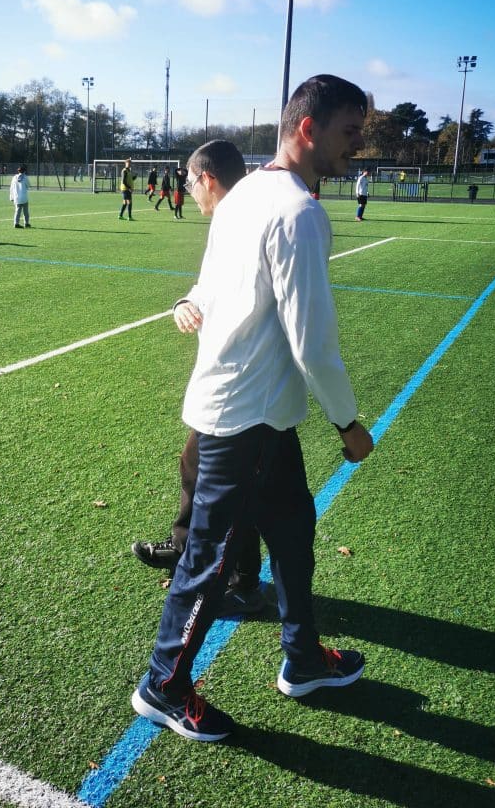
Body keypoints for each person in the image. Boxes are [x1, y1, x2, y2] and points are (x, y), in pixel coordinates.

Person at [131, 74, 374, 742]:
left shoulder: (245, 197)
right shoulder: (298, 212)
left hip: (262, 414)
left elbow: (210, 286)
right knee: (208, 562)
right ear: (307, 129)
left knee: (293, 533)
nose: (356, 146)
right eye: (349, 132)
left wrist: (193, 302)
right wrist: (348, 423)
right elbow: (313, 341)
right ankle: (162, 685)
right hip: (246, 418)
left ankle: (301, 658)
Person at [132, 140, 266, 616]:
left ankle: (240, 578)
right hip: (226, 379)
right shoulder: (227, 222)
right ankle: (193, 552)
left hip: (248, 383)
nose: (187, 191)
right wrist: (185, 302)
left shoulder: (252, 220)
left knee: (240, 485)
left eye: (190, 182)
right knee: (198, 466)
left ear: (208, 179)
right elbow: (208, 284)